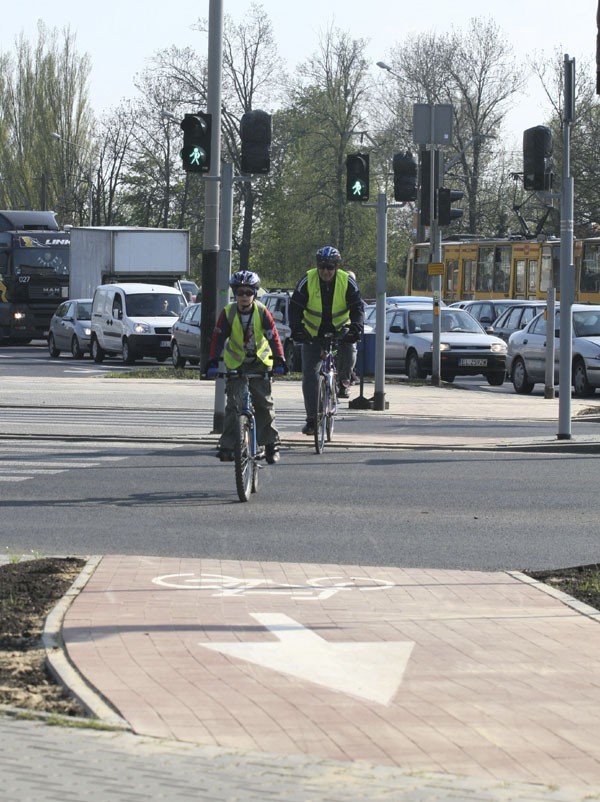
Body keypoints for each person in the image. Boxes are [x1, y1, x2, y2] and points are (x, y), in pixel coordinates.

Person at [206, 270, 288, 464]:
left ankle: (270, 445)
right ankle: (227, 445)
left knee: (264, 403)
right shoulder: (228, 312)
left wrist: (279, 359)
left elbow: (273, 336)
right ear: (235, 294)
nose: (244, 297)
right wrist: (212, 361)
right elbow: (218, 338)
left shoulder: (261, 311)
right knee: (233, 405)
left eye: (248, 292)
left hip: (260, 362)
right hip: (237, 362)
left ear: (255, 293)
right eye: (240, 292)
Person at [289, 246, 364, 435]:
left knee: (349, 348)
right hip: (313, 331)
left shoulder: (347, 281)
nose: (325, 271)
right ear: (317, 266)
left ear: (337, 267)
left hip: (340, 328)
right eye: (322, 267)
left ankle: (344, 380)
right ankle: (312, 419)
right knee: (310, 375)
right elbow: (295, 307)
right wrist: (297, 329)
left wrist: (356, 328)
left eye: (330, 267)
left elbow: (357, 308)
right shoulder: (307, 280)